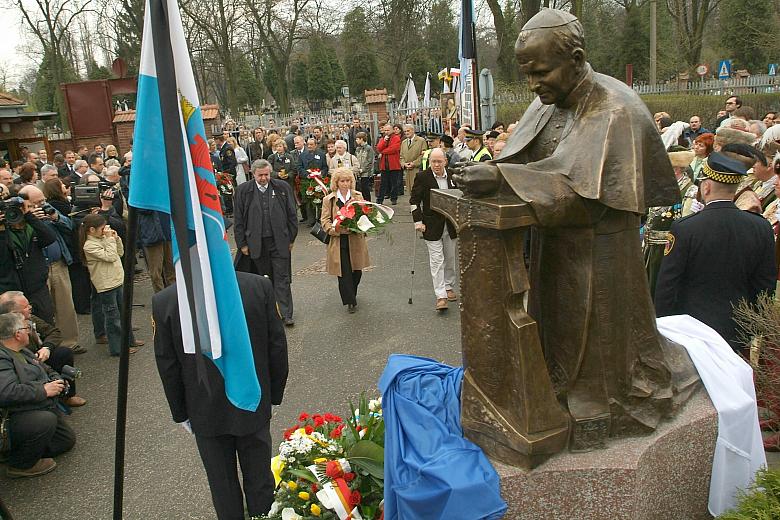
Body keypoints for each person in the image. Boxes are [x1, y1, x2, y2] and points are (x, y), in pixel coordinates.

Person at [452, 8, 693, 442]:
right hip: (554, 246)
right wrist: (482, 171)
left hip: (600, 253)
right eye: (527, 74)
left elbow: (583, 190)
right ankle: (551, 395)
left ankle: (603, 407)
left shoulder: (612, 107)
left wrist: (501, 178)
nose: (533, 85)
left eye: (540, 73)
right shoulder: (548, 102)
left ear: (577, 58)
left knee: (599, 348)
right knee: (553, 331)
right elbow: (526, 160)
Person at [153, 271, 289, 519]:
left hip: (204, 409)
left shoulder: (166, 301)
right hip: (252, 400)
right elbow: (277, 346)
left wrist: (181, 412)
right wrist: (273, 395)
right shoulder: (258, 287)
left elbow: (168, 366)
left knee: (222, 483)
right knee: (259, 480)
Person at [655, 153, 777, 354]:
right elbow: (765, 285)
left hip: (692, 332)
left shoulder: (685, 228)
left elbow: (667, 286)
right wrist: (752, 326)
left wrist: (667, 329)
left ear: (706, 187)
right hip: (738, 332)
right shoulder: (760, 226)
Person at [0, 312, 76, 478]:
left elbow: (44, 368)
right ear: (17, 334)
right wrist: (44, 390)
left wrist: (57, 381)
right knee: (44, 421)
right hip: (14, 415)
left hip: (35, 405)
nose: (29, 331)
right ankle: (20, 464)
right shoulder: (3, 357)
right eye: (26, 328)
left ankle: (24, 448)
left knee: (66, 441)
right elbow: (7, 392)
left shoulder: (22, 350)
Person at [233, 160, 298, 326]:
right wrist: (242, 244)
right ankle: (266, 315)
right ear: (253, 174)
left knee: (282, 278)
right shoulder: (243, 191)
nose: (264, 178)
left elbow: (292, 214)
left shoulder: (282, 188)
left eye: (266, 174)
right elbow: (239, 219)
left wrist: (291, 238)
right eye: (260, 175)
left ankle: (285, 313)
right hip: (256, 243)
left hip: (279, 242)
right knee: (262, 280)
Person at [18, 185, 81, 352]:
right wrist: (32, 220)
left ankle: (70, 343)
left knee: (65, 306)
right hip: (39, 269)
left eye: (43, 200)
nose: (41, 205)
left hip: (58, 263)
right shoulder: (21, 218)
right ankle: (49, 345)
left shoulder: (49, 210)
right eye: (36, 203)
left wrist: (55, 217)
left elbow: (69, 226)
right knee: (45, 311)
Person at [0, 291, 85, 405]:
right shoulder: (7, 329)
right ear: (14, 312)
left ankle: (67, 395)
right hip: (24, 365)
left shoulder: (31, 318)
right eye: (25, 307)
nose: (30, 307)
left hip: (38, 359)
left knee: (64, 353)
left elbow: (54, 332)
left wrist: (47, 348)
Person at [79, 213, 142, 356]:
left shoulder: (103, 239)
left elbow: (119, 252)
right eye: (102, 228)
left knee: (124, 313)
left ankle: (130, 340)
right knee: (113, 318)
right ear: (91, 230)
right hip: (106, 286)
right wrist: (109, 240)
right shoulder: (89, 246)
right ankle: (117, 348)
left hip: (117, 280)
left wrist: (116, 238)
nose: (105, 230)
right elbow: (110, 256)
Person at [410, 148, 458, 311]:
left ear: (445, 161)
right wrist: (418, 221)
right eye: (433, 161)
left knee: (450, 258)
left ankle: (449, 286)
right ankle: (441, 296)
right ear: (429, 162)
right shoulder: (423, 177)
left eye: (439, 161)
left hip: (451, 224)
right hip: (431, 224)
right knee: (437, 260)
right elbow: (414, 201)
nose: (436, 165)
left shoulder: (453, 175)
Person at [0, 194, 57, 323]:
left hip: (37, 287)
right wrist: (2, 231)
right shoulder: (4, 232)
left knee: (46, 324)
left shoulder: (31, 227)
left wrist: (28, 215)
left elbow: (50, 238)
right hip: (12, 292)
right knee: (19, 329)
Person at [320, 168, 371, 313]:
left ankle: (352, 293)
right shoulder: (329, 199)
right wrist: (334, 230)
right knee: (343, 271)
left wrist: (360, 226)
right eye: (342, 181)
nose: (345, 184)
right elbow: (325, 220)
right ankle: (350, 300)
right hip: (338, 241)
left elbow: (365, 214)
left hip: (355, 239)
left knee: (357, 270)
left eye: (348, 181)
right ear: (336, 182)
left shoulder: (358, 196)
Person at [138, 209, 175, 293]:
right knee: (156, 273)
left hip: (168, 231)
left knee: (171, 270)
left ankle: (175, 297)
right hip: (152, 235)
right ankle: (162, 299)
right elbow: (140, 209)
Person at [376, 124, 401, 206]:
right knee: (383, 183)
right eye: (385, 130)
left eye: (388, 130)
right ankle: (380, 199)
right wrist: (384, 141)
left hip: (394, 165)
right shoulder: (382, 139)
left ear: (392, 130)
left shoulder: (396, 138)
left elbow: (394, 149)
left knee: (394, 183)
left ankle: (394, 198)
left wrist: (383, 151)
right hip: (384, 165)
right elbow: (379, 148)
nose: (386, 132)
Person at [399, 125, 428, 196]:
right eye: (405, 131)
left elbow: (424, 155)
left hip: (417, 170)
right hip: (407, 171)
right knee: (410, 193)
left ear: (413, 130)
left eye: (408, 131)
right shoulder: (403, 142)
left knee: (417, 191)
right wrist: (404, 164)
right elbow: (401, 156)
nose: (406, 133)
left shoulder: (421, 140)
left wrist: (414, 163)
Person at [354, 132, 375, 201]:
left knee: (366, 189)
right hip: (359, 172)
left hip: (366, 173)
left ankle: (368, 203)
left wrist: (363, 169)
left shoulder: (369, 148)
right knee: (361, 189)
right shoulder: (357, 149)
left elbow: (369, 161)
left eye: (357, 139)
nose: (356, 141)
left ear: (362, 139)